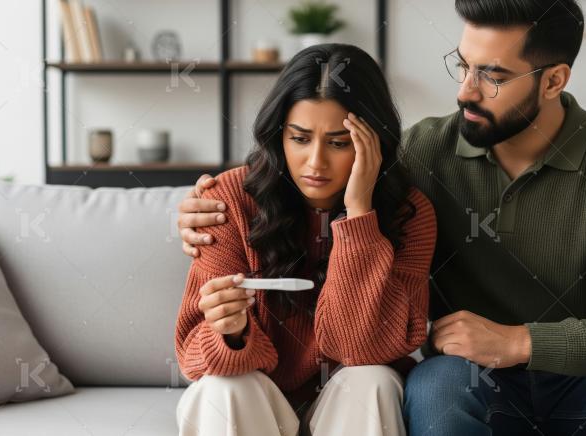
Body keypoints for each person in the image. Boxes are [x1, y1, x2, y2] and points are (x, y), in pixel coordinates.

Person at [177, 1, 586, 434]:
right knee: (433, 385)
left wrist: (519, 342)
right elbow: (316, 184)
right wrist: (203, 212)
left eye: (493, 75)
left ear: (554, 80)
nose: (465, 89)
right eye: (462, 65)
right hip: (475, 386)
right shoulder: (418, 157)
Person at [173, 43, 436, 436]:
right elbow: (193, 356)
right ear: (278, 135)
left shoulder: (408, 214)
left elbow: (361, 349)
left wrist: (359, 213)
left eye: (337, 143)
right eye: (299, 139)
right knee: (225, 387)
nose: (315, 163)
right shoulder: (225, 202)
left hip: (348, 402)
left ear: (373, 143)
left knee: (374, 380)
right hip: (258, 404)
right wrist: (231, 333)